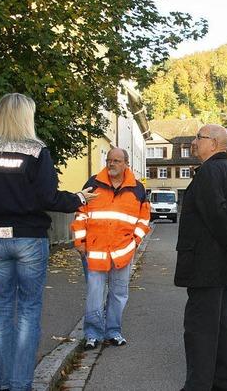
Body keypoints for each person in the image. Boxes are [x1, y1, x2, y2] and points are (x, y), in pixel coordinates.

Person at [0, 93, 97, 391]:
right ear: (26, 117)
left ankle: (3, 383)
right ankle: (21, 384)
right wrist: (78, 199)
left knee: (0, 311)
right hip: (28, 239)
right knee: (27, 311)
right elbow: (47, 197)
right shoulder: (36, 151)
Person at [174, 124, 227, 391]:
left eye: (198, 138)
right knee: (223, 334)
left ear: (213, 143)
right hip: (226, 270)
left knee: (201, 335)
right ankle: (224, 385)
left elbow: (217, 217)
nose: (193, 142)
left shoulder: (210, 173)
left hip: (207, 269)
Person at [71, 147, 151, 350]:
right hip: (95, 250)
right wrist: (79, 242)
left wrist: (135, 242)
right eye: (109, 160)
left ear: (126, 164)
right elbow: (80, 214)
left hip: (123, 251)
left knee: (118, 293)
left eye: (117, 160)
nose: (112, 164)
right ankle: (92, 334)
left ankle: (113, 332)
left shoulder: (137, 189)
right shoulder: (93, 184)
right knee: (94, 294)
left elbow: (143, 220)